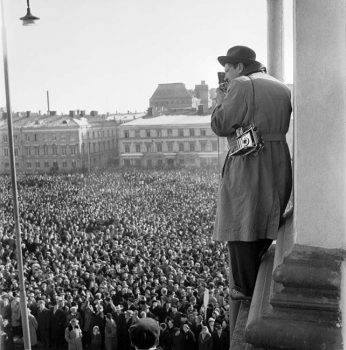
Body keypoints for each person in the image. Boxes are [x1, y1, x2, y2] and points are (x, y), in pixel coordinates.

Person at [211, 45, 292, 300]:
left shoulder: (242, 85)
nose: (225, 76)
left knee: (241, 220)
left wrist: (220, 100)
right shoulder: (280, 86)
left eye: (227, 69)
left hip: (250, 162)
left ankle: (245, 290)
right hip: (278, 159)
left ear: (239, 66)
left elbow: (221, 124)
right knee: (264, 218)